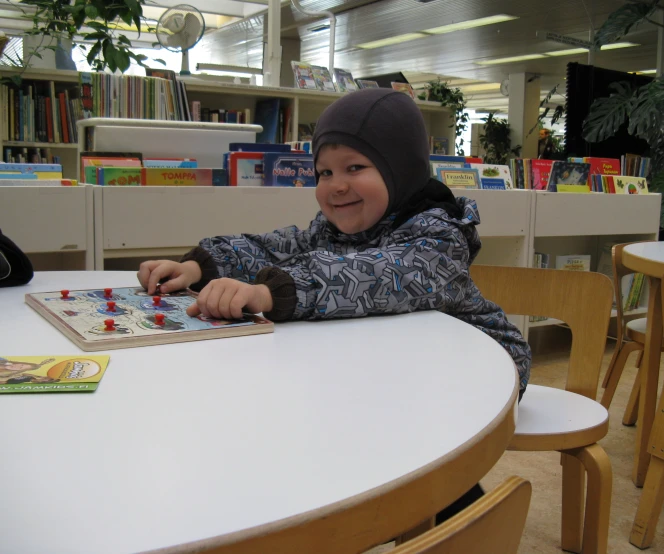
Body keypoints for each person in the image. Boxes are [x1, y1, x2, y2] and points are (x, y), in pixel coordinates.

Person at [138, 88, 532, 522]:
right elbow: (272, 247)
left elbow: (373, 275)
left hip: (480, 368)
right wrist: (200, 266)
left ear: (400, 170)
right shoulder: (331, 229)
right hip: (395, 370)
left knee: (404, 447)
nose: (336, 185)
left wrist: (271, 292)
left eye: (355, 168)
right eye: (324, 172)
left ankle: (459, 522)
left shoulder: (437, 236)